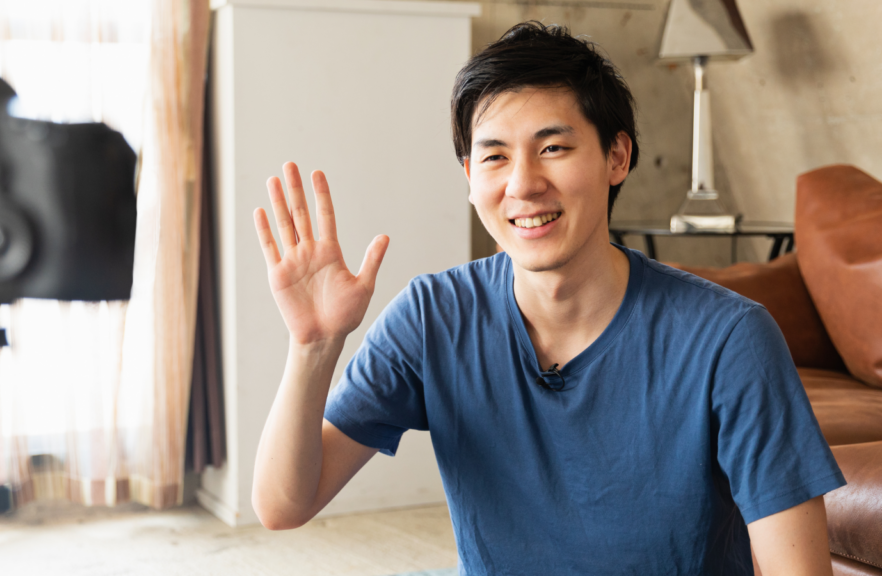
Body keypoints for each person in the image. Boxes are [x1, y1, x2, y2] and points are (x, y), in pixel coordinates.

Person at [251, 21, 845, 575]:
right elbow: (283, 505)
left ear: (618, 156)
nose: (522, 184)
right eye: (494, 156)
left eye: (553, 148)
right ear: (468, 177)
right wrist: (313, 346)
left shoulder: (729, 338)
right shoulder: (433, 317)